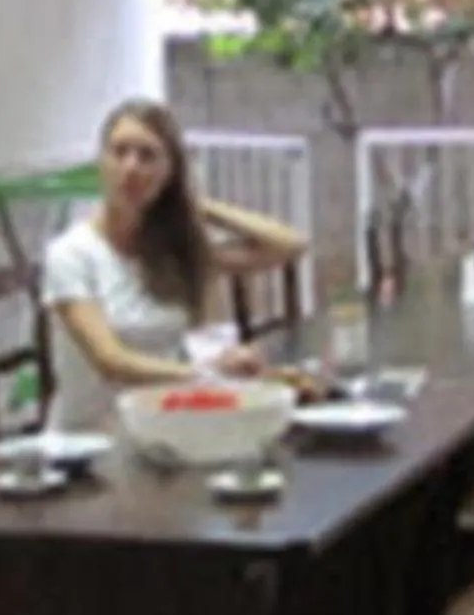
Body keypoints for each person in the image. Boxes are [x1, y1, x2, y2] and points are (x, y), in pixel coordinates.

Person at [39, 98, 313, 428]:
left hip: (166, 424)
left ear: (170, 172)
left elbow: (289, 244)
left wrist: (198, 205)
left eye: (147, 156)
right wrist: (209, 373)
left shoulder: (169, 247)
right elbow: (111, 361)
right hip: (93, 436)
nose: (131, 167)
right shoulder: (71, 254)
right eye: (119, 152)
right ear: (101, 162)